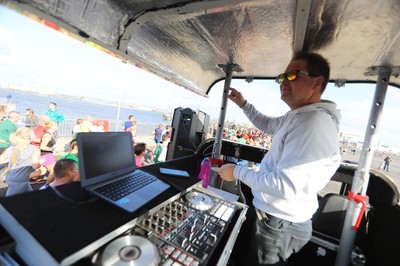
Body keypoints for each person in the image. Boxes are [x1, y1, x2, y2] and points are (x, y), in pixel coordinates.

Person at [212, 52, 341, 265]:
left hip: (280, 225)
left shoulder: (312, 124)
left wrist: (236, 171)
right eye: (283, 77)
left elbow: (284, 186)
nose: (283, 82)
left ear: (317, 82)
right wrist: (244, 104)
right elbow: (267, 124)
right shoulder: (298, 116)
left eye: (293, 76)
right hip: (273, 218)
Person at [0, 127, 41, 196]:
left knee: (30, 197)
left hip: (12, 176)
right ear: (29, 138)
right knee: (8, 204)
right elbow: (35, 165)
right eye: (34, 135)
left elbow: (1, 160)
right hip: (19, 179)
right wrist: (40, 163)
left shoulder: (12, 147)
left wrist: (11, 159)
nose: (36, 136)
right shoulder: (34, 149)